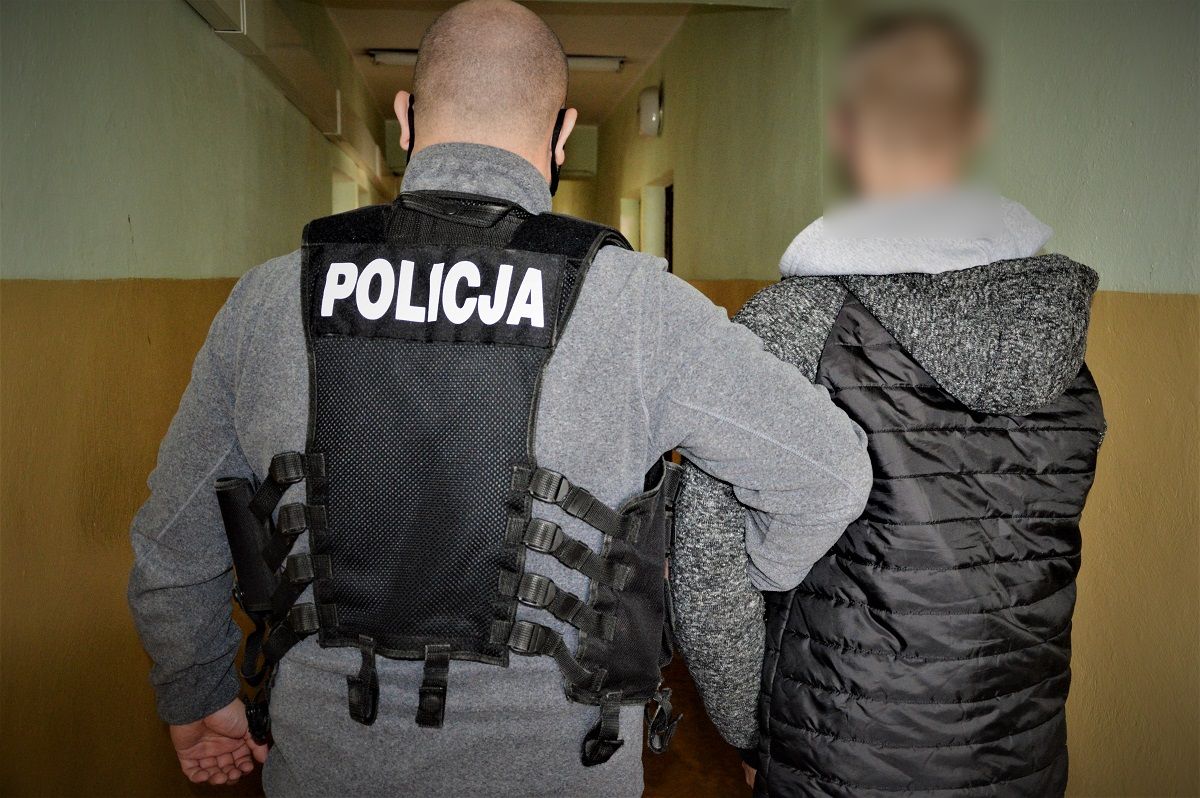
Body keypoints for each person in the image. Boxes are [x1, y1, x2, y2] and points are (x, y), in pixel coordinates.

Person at [127, 1, 872, 795]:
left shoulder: (269, 301)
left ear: (406, 119)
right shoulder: (638, 308)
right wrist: (702, 586)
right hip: (566, 770)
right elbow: (827, 476)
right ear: (563, 135)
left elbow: (175, 538)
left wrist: (196, 692)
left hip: (326, 764)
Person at [671, 11, 1105, 797]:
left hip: (837, 757)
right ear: (974, 130)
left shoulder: (796, 325)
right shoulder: (1059, 336)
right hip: (1021, 756)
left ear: (844, 131)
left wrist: (749, 727)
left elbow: (709, 567)